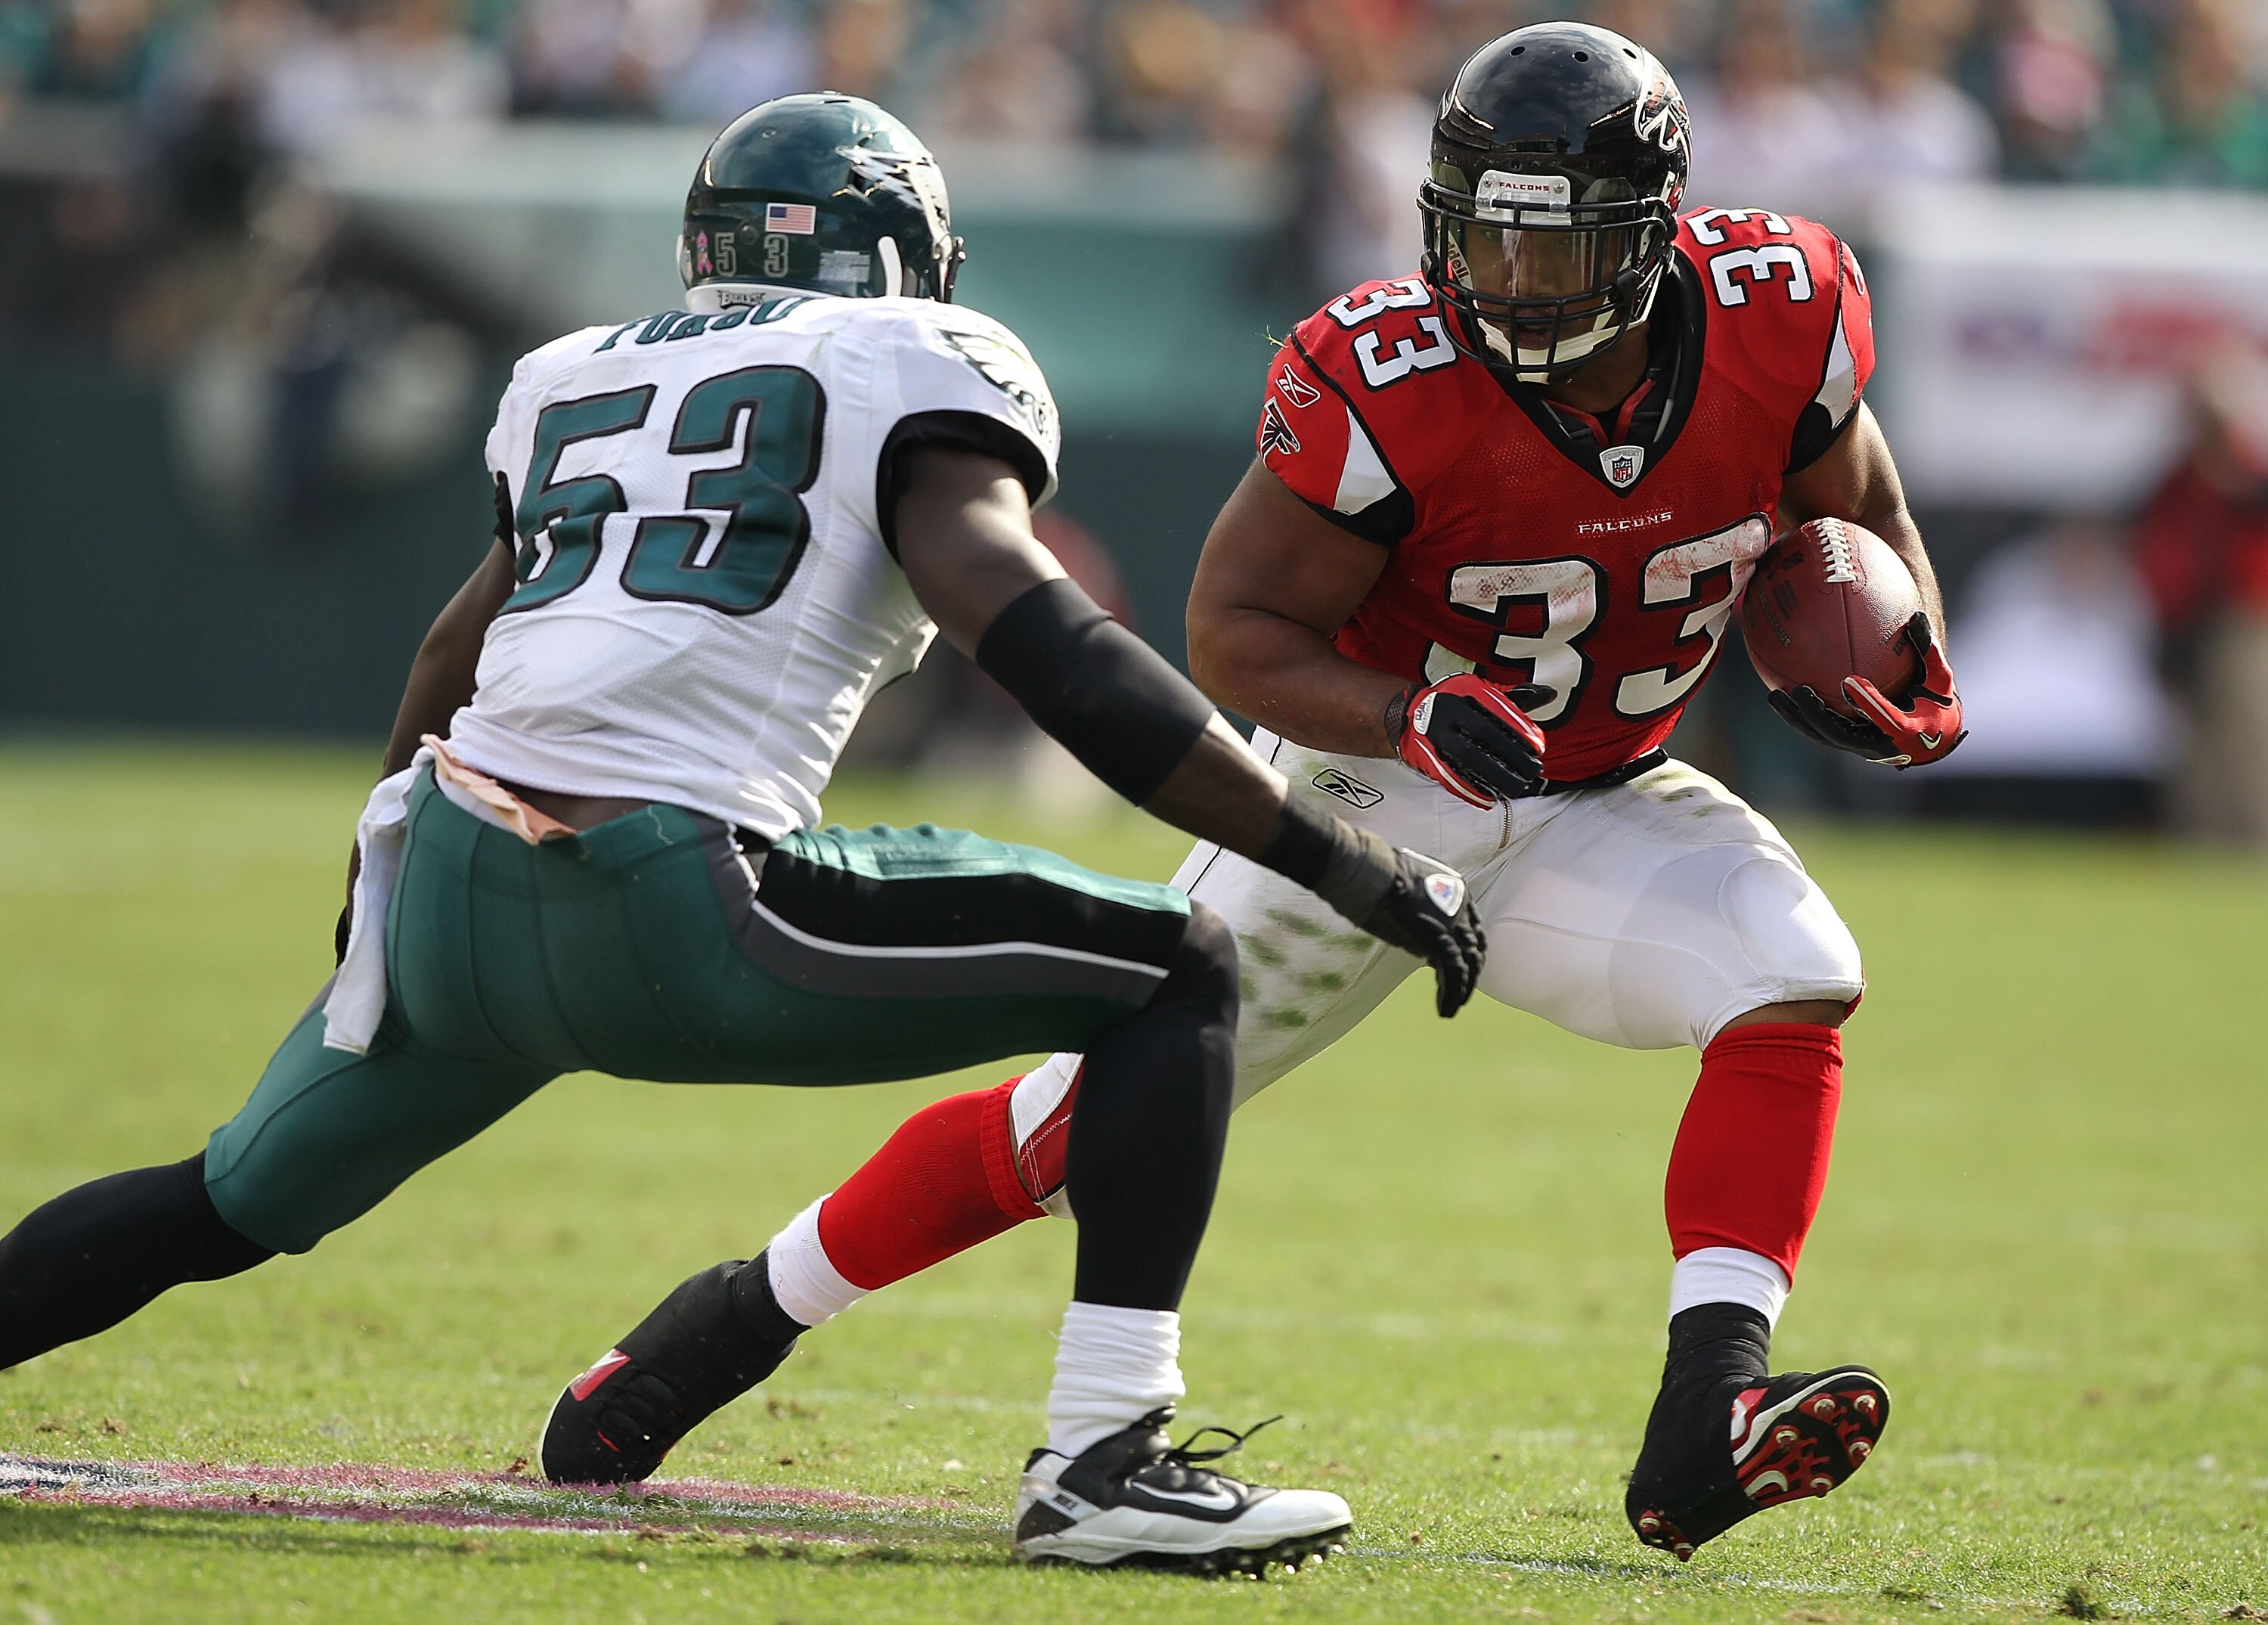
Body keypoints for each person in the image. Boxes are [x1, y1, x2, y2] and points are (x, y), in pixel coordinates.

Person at [0, 92, 1491, 1576]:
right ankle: (1105, 1457)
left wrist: (374, 901)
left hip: (450, 882)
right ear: (911, 249)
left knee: (221, 1198)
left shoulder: (574, 373)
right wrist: (1339, 859)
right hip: (678, 903)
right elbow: (1054, 650)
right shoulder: (913, 358)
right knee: (1180, 965)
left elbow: (455, 652)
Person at [543, 28, 1975, 1566]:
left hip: (1600, 798)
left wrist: (1907, 662)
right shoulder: (1389, 376)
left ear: (1656, 231)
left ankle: (1709, 1412)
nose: (1512, 278)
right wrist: (1407, 708)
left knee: (1795, 974)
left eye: (1556, 246)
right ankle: (722, 1325)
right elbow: (1229, 633)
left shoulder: (1782, 313)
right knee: (1079, 1129)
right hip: (1365, 805)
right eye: (1485, 232)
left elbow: (1864, 513)